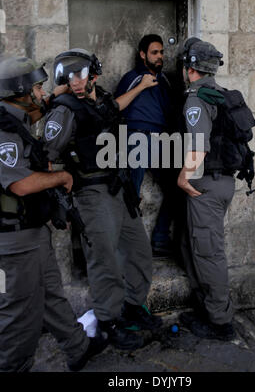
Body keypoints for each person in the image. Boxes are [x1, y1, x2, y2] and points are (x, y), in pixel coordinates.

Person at [43, 48, 162, 351]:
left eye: (81, 75)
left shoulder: (100, 99)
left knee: (138, 251)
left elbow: (113, 108)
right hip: (91, 192)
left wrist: (140, 87)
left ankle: (133, 307)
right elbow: (47, 155)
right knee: (105, 261)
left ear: (93, 75)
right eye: (69, 78)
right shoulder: (65, 108)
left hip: (118, 187)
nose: (76, 82)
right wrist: (56, 197)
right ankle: (108, 324)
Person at [0, 55, 107, 372]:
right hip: (13, 240)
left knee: (50, 293)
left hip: (30, 233)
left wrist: (61, 92)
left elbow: (41, 111)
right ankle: (12, 367)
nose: (42, 93)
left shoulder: (16, 121)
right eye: (36, 87)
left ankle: (77, 348)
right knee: (18, 312)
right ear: (20, 91)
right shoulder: (3, 129)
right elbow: (19, 184)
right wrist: (61, 178)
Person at [177, 38, 236, 341]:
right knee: (197, 248)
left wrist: (183, 178)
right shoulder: (221, 95)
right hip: (223, 182)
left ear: (190, 68)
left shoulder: (197, 98)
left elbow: (199, 147)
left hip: (206, 186)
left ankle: (220, 323)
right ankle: (207, 308)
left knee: (209, 253)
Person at [114, 34, 176, 257]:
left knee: (175, 187)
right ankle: (125, 245)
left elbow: (170, 112)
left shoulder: (165, 81)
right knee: (131, 192)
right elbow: (115, 108)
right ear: (143, 54)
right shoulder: (131, 78)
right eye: (154, 52)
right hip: (136, 137)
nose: (159, 56)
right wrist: (141, 86)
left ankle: (160, 239)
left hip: (162, 140)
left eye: (161, 52)